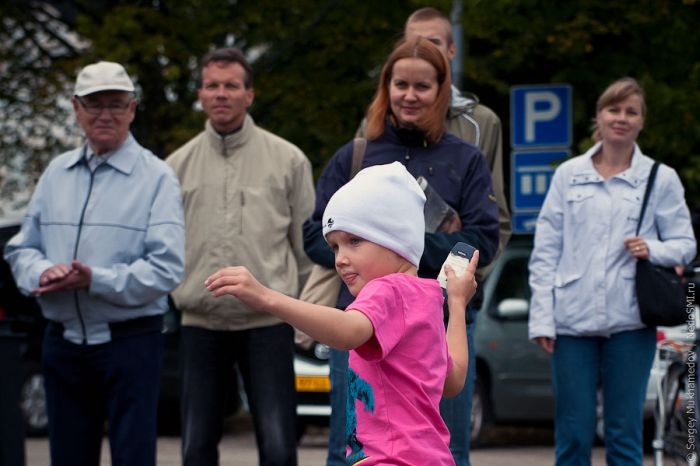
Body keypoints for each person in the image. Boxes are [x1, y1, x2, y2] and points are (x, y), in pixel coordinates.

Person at [302, 36, 499, 465]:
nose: (410, 95)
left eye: (423, 86)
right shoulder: (354, 155)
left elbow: (482, 239)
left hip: (438, 320)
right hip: (360, 319)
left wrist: (402, 248)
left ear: (442, 91)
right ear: (385, 88)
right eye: (400, 84)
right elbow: (315, 235)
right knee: (351, 446)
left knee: (446, 445)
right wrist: (379, 249)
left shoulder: (465, 159)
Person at [207, 162, 480, 466]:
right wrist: (456, 305)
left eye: (354, 241)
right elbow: (452, 381)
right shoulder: (426, 296)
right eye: (335, 247)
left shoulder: (387, 290)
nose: (341, 259)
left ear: (396, 239)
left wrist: (267, 298)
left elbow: (348, 331)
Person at [3, 61, 185, 466]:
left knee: (133, 457)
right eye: (94, 104)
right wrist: (41, 273)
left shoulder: (157, 177)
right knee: (67, 456)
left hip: (131, 343)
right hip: (62, 342)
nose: (105, 115)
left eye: (116, 105)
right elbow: (21, 249)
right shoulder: (55, 174)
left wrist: (94, 280)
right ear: (75, 108)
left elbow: (167, 268)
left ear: (133, 109)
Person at [528, 77, 697, 465]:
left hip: (631, 320)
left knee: (624, 433)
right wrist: (542, 319)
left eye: (631, 111)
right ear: (599, 117)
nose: (621, 118)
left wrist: (651, 248)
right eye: (613, 109)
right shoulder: (568, 174)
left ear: (641, 121)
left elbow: (685, 244)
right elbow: (546, 250)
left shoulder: (660, 177)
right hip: (571, 321)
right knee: (573, 432)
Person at [166, 47, 315, 466]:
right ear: (200, 94)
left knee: (279, 443)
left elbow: (308, 249)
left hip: (268, 323)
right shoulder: (175, 167)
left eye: (231, 85)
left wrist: (305, 316)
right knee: (195, 446)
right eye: (212, 85)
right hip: (199, 322)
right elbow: (165, 247)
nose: (221, 94)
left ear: (250, 95)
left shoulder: (288, 160)